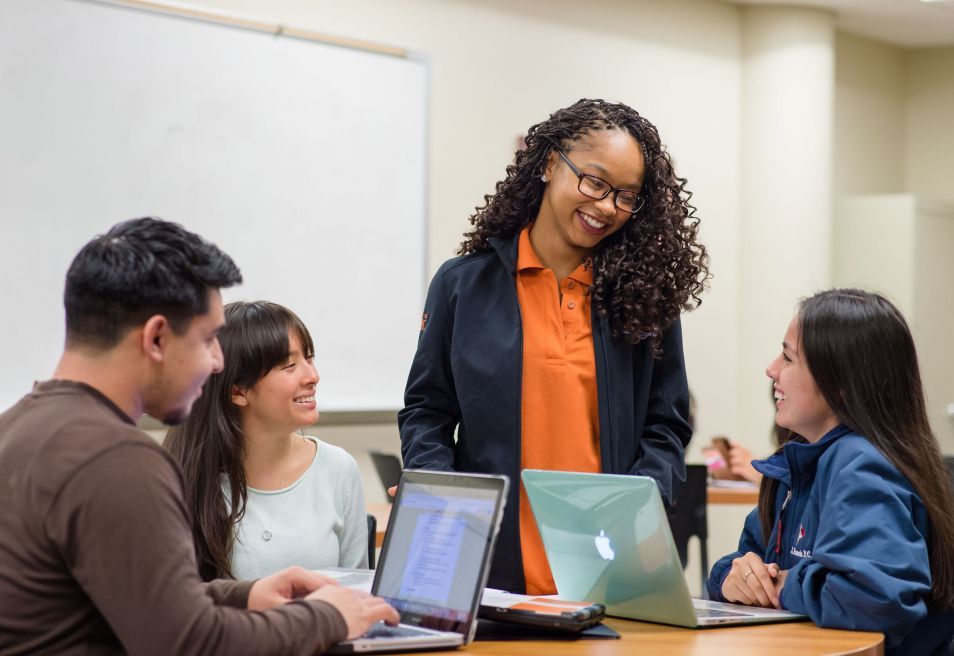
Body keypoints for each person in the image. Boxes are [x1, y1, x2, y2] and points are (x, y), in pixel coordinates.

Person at [0, 218, 397, 655]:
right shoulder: (115, 461)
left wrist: (243, 595)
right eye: (208, 340)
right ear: (156, 338)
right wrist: (329, 616)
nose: (214, 363)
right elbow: (190, 643)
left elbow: (144, 605)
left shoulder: (17, 429)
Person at [399, 98, 709, 594]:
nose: (607, 207)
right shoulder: (463, 285)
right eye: (594, 181)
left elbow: (666, 424)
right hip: (489, 574)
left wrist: (639, 504)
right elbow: (427, 411)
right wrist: (443, 494)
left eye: (627, 196)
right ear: (548, 163)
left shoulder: (644, 298)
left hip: (607, 574)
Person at [705, 289, 954, 655]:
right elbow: (750, 559)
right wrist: (730, 577)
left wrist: (779, 585)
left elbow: (874, 598)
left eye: (788, 357)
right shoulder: (802, 465)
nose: (772, 369)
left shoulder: (861, 462)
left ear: (841, 382)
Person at [165, 301, 368, 581]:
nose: (313, 376)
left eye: (309, 359)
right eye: (289, 365)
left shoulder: (339, 468)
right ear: (238, 391)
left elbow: (356, 593)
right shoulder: (186, 478)